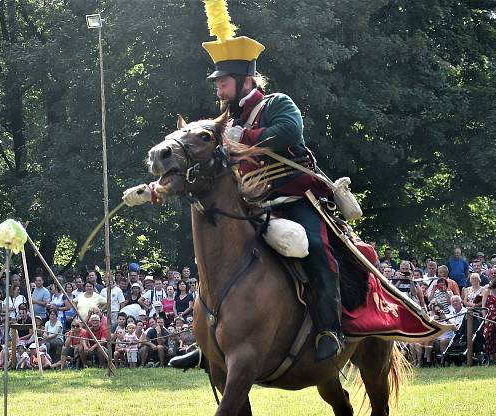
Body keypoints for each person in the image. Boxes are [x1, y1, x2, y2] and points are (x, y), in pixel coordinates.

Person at [127, 29, 344, 366]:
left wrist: (247, 135)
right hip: (251, 204)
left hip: (297, 198)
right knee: (216, 255)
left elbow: (290, 131)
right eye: (217, 82)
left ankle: (330, 329)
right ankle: (211, 343)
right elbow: (200, 169)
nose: (218, 87)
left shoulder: (275, 104)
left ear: (246, 81)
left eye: (223, 81)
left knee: (314, 246)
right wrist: (160, 187)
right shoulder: (225, 122)